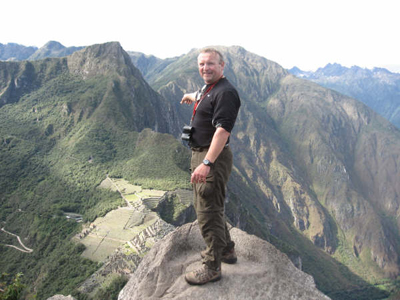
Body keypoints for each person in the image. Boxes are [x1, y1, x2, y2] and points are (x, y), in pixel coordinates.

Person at [180, 48, 241, 285]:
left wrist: (206, 163)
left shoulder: (226, 93)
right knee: (210, 207)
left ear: (222, 65)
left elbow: (223, 131)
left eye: (211, 64)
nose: (205, 68)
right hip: (202, 154)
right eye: (201, 64)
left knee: (207, 212)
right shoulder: (211, 89)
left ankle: (212, 266)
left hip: (211, 158)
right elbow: (206, 96)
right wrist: (191, 96)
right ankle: (226, 250)